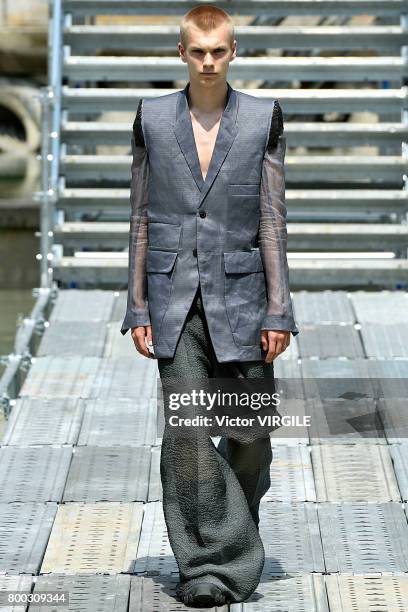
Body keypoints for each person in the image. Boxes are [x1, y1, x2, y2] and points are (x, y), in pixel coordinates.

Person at [120, 4, 299, 607]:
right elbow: (141, 216)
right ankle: (207, 568)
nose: (208, 62)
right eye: (197, 51)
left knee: (249, 433)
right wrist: (137, 306)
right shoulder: (151, 118)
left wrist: (280, 311)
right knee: (190, 433)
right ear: (181, 53)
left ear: (233, 51)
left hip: (244, 297)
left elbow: (272, 219)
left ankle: (232, 534)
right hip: (173, 300)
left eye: (218, 50)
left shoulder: (261, 119)